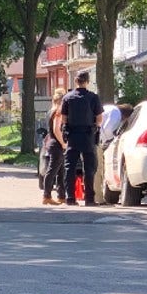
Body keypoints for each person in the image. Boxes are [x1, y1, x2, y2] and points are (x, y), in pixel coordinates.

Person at [60, 70, 103, 205]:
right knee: (89, 168)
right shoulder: (93, 98)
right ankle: (89, 198)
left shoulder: (67, 98)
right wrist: (94, 127)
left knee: (70, 167)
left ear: (76, 81)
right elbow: (99, 119)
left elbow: (64, 119)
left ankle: (70, 198)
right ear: (87, 81)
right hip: (88, 135)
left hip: (72, 135)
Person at [42, 88, 67, 205]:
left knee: (60, 171)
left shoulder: (50, 111)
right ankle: (46, 195)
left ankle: (61, 195)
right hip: (56, 143)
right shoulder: (58, 111)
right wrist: (63, 143)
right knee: (52, 170)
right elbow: (57, 129)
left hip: (51, 142)